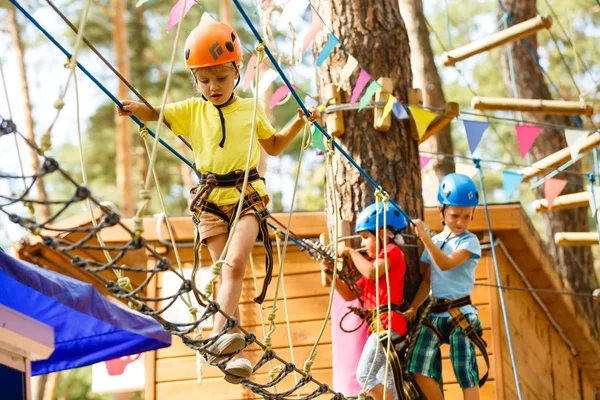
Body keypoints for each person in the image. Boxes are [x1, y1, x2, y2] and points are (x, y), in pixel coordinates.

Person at [116, 13, 319, 384]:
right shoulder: (192, 111)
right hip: (209, 199)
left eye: (221, 77)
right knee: (223, 269)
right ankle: (230, 354)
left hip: (247, 195)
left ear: (237, 71)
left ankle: (216, 336)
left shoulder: (251, 108)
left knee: (235, 263)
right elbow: (157, 113)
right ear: (195, 80)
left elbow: (272, 146)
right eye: (204, 80)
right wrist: (134, 108)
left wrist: (300, 121)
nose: (213, 86)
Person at [406, 173, 488, 400]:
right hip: (435, 313)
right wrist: (414, 307)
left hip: (460, 313)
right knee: (416, 366)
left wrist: (424, 236)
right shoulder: (435, 241)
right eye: (454, 215)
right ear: (441, 210)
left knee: (465, 370)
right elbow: (427, 279)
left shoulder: (469, 241)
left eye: (467, 216)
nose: (461, 222)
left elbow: (445, 263)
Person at [322, 203, 408, 400]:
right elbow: (352, 295)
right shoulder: (375, 263)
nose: (361, 244)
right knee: (387, 382)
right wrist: (330, 273)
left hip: (389, 325)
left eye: (365, 237)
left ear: (383, 234)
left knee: (364, 374)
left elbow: (370, 272)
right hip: (380, 327)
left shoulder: (391, 251)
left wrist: (351, 252)